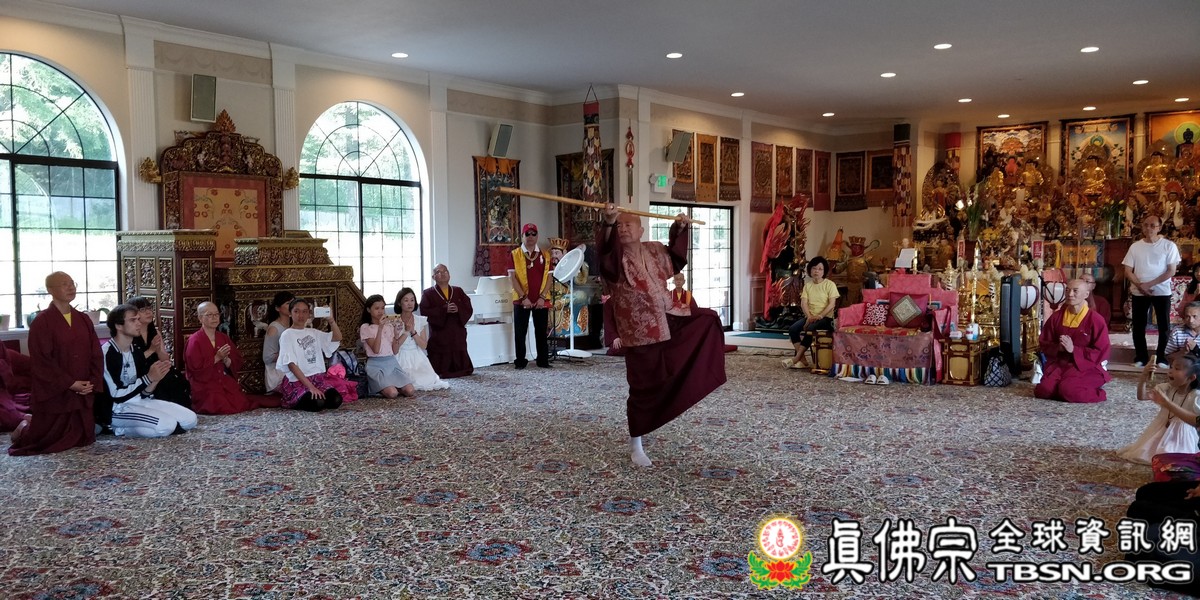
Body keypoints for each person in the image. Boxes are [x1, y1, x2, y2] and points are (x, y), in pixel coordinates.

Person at [597, 205, 727, 467]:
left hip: (669, 316)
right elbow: (606, 255)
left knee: (708, 320)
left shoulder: (654, 249)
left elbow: (676, 259)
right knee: (642, 387)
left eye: (628, 225)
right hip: (639, 330)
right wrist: (608, 222)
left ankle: (686, 384)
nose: (623, 229)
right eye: (619, 226)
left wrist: (679, 228)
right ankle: (636, 443)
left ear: (641, 230)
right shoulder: (615, 257)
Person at [8, 272, 104, 455]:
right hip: (57, 391)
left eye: (72, 283)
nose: (71, 287)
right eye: (64, 284)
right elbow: (42, 361)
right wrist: (70, 384)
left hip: (83, 387)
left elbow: (96, 353)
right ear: (50, 290)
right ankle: (24, 428)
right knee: (47, 441)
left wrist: (92, 381)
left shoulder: (83, 319)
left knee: (84, 438)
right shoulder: (42, 322)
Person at [100, 304, 198, 438]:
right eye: (133, 320)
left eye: (138, 319)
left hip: (140, 402)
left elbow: (145, 393)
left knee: (190, 419)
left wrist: (156, 378)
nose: (138, 323)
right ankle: (118, 429)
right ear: (118, 326)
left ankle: (140, 426)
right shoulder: (107, 353)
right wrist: (149, 378)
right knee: (167, 425)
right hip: (118, 408)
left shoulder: (135, 350)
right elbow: (116, 394)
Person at [185, 301, 272, 414]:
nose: (214, 318)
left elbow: (237, 360)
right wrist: (216, 358)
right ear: (200, 318)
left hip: (223, 380)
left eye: (216, 314)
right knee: (218, 403)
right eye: (209, 315)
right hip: (204, 384)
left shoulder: (223, 337)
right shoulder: (194, 341)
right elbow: (195, 370)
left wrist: (227, 360)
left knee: (239, 402)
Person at [1034, 279, 1111, 403]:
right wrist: (1058, 348)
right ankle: (1063, 388)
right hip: (1060, 364)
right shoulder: (1056, 317)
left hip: (1085, 366)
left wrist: (1074, 350)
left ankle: (1099, 394)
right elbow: (1044, 342)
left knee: (1069, 391)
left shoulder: (1095, 319)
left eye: (1075, 291)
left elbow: (1101, 350)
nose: (1070, 294)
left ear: (1086, 294)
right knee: (1043, 391)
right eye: (1067, 290)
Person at [1123, 214, 1182, 368]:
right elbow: (1128, 270)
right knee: (1138, 325)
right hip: (1139, 291)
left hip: (1161, 291)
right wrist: (1140, 285)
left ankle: (1161, 357)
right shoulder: (1135, 247)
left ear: (1159, 228)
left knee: (1164, 326)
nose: (1148, 228)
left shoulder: (1169, 246)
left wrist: (1149, 284)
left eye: (1152, 225)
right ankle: (1141, 357)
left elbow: (1171, 271)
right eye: (1146, 225)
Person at [1118, 355, 1200, 464]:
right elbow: (1141, 396)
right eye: (1171, 367)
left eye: (1177, 369)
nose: (1170, 371)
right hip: (1160, 427)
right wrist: (1143, 377)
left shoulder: (1195, 396)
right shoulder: (1166, 388)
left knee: (1174, 460)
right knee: (1145, 454)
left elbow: (1196, 421)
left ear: (1191, 378)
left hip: (1181, 435)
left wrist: (1167, 402)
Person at [276, 297, 346, 411]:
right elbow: (291, 365)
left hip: (317, 379)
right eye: (296, 311)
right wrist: (311, 387)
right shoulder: (287, 335)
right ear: (290, 313)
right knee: (318, 403)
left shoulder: (314, 332)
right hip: (298, 380)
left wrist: (331, 320)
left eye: (304, 311)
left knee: (336, 400)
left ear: (309, 314)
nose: (301, 315)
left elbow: (337, 337)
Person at [126, 296, 191, 407]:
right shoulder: (129, 335)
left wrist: (158, 351)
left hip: (158, 367)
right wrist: (151, 350)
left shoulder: (155, 332)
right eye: (143, 310)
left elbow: (165, 359)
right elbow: (131, 362)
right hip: (141, 371)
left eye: (149, 308)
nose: (148, 312)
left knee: (173, 378)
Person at [782, 256, 839, 371]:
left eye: (820, 269)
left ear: (824, 271)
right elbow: (804, 303)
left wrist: (819, 316)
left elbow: (832, 304)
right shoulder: (808, 285)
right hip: (810, 317)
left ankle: (796, 358)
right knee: (793, 329)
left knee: (810, 328)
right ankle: (803, 360)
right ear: (810, 270)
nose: (816, 271)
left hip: (825, 318)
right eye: (814, 268)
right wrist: (809, 317)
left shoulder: (830, 284)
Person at [509, 223, 552, 369]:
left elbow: (549, 278)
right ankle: (520, 361)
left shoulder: (545, 254)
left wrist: (542, 297)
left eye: (534, 234)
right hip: (521, 300)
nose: (531, 237)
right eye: (527, 234)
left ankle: (543, 360)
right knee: (520, 332)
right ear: (522, 236)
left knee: (541, 331)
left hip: (541, 299)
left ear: (537, 236)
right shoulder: (515, 254)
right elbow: (512, 278)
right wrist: (523, 297)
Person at [419, 264, 474, 378]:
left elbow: (468, 307)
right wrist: (443, 309)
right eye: (438, 272)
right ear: (433, 277)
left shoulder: (458, 290)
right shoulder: (428, 293)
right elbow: (424, 311)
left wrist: (458, 309)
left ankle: (462, 369)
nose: (443, 274)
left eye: (445, 271)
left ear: (449, 274)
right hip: (440, 330)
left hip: (456, 329)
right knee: (441, 349)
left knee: (458, 344)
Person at [359, 294, 415, 399]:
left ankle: (391, 385)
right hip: (376, 365)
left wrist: (397, 333)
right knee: (392, 394)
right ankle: (380, 387)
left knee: (410, 391)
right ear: (368, 310)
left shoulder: (389, 326)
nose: (381, 311)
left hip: (391, 363)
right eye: (377, 308)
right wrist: (380, 328)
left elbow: (395, 351)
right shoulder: (366, 327)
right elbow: (376, 350)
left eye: (382, 308)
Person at [393, 287, 448, 390]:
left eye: (412, 300)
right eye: (406, 300)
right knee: (407, 379)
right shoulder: (394, 321)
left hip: (417, 356)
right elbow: (394, 348)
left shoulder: (420, 320)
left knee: (426, 379)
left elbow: (424, 345)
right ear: (399, 303)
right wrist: (405, 332)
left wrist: (413, 332)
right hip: (400, 356)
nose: (410, 303)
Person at [261, 291, 295, 393]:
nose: (292, 306)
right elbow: (268, 357)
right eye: (288, 303)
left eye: (293, 303)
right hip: (278, 373)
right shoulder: (274, 328)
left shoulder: (295, 325)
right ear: (277, 308)